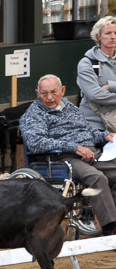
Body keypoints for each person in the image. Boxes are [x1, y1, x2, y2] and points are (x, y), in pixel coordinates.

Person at [19, 74, 116, 235]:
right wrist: (74, 147)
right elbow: (36, 143)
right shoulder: (33, 115)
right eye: (44, 93)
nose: (49, 97)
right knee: (96, 177)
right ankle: (111, 227)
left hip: (91, 153)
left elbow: (87, 130)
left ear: (62, 91)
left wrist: (105, 135)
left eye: (53, 92)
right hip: (62, 157)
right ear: (37, 93)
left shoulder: (70, 107)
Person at [76, 16, 116, 134]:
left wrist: (109, 86)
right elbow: (95, 95)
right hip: (95, 125)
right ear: (99, 37)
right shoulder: (86, 63)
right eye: (108, 33)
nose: (113, 37)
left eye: (115, 33)